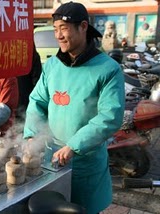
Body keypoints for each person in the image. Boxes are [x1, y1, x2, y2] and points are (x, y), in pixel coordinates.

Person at [23, 2, 125, 214]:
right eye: (55, 29)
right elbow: (37, 101)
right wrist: (33, 134)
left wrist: (73, 146)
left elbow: (109, 116)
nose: (58, 35)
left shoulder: (108, 69)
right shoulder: (52, 66)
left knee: (83, 209)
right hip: (51, 159)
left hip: (85, 162)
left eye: (64, 28)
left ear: (83, 27)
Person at [16, 43, 42, 122]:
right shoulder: (27, 46)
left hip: (18, 103)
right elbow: (37, 81)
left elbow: (37, 80)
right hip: (24, 102)